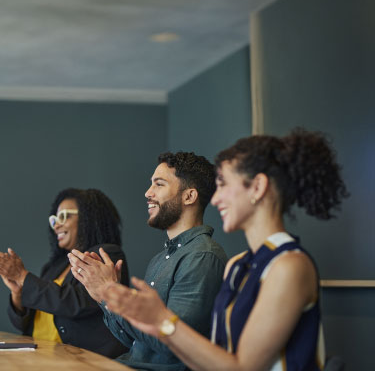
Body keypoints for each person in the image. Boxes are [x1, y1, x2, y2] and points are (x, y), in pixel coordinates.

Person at [101, 130, 349, 371]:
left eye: (224, 184)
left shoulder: (290, 266)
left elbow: (242, 366)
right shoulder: (237, 265)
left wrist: (163, 322)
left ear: (257, 187)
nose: (216, 199)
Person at [68, 151, 228, 371]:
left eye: (159, 184)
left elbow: (173, 345)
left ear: (189, 196)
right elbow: (136, 341)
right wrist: (104, 297)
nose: (147, 193)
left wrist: (108, 290)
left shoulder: (202, 257)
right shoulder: (159, 260)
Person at [0, 188, 129, 358]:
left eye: (64, 216)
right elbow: (24, 323)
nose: (56, 225)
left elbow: (77, 302)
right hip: (40, 355)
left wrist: (22, 277)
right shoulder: (53, 267)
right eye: (54, 220)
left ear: (88, 218)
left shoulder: (106, 254)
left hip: (80, 360)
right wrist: (18, 293)